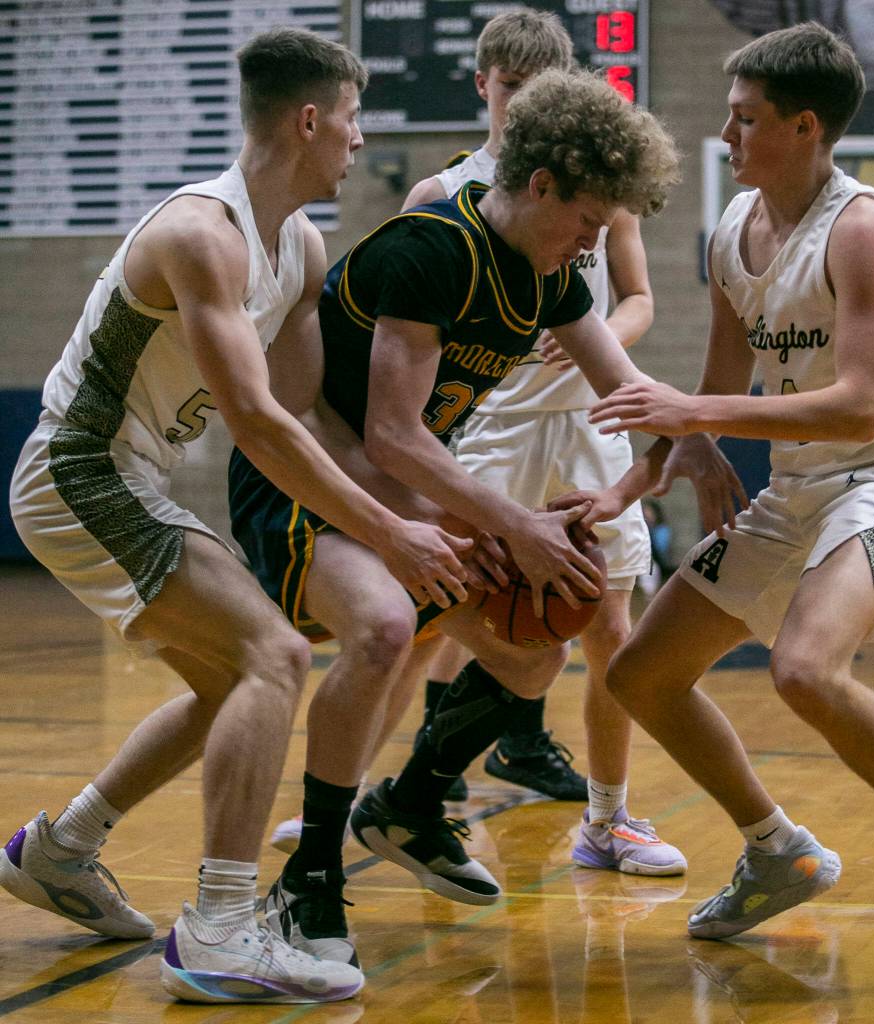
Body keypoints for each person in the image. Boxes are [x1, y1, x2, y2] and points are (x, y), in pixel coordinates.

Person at [229, 61, 746, 967]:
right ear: (540, 185)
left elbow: (623, 384)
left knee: (537, 643)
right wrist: (513, 525)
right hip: (309, 477)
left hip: (400, 486)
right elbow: (392, 434)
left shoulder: (548, 275)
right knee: (387, 630)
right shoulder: (434, 248)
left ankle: (412, 804)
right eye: (587, 222)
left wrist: (691, 438)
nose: (590, 243)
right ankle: (309, 878)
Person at [0, 28, 475, 1005]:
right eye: (351, 118)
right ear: (308, 119)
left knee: (233, 683)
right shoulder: (200, 235)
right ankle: (218, 928)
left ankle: (62, 847)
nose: (358, 139)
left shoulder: (298, 247)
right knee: (276, 655)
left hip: (134, 473)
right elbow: (256, 424)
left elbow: (304, 410)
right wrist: (389, 536)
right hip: (79, 466)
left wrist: (427, 506)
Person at [584, 21, 874, 938]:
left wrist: (695, 413)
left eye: (746, 118)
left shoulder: (863, 227)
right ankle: (778, 850)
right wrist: (648, 474)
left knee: (805, 670)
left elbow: (858, 406)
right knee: (643, 674)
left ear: (805, 127)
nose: (726, 135)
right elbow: (721, 387)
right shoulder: (733, 227)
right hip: (800, 482)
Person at [395, 11, 684, 880]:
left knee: (610, 628)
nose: (521, 104)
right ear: (482, 83)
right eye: (510, 87)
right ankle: (357, 792)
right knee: (428, 617)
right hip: (487, 422)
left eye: (539, 89)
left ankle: (608, 818)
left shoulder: (599, 188)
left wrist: (595, 335)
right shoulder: (444, 194)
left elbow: (638, 300)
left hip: (589, 422)